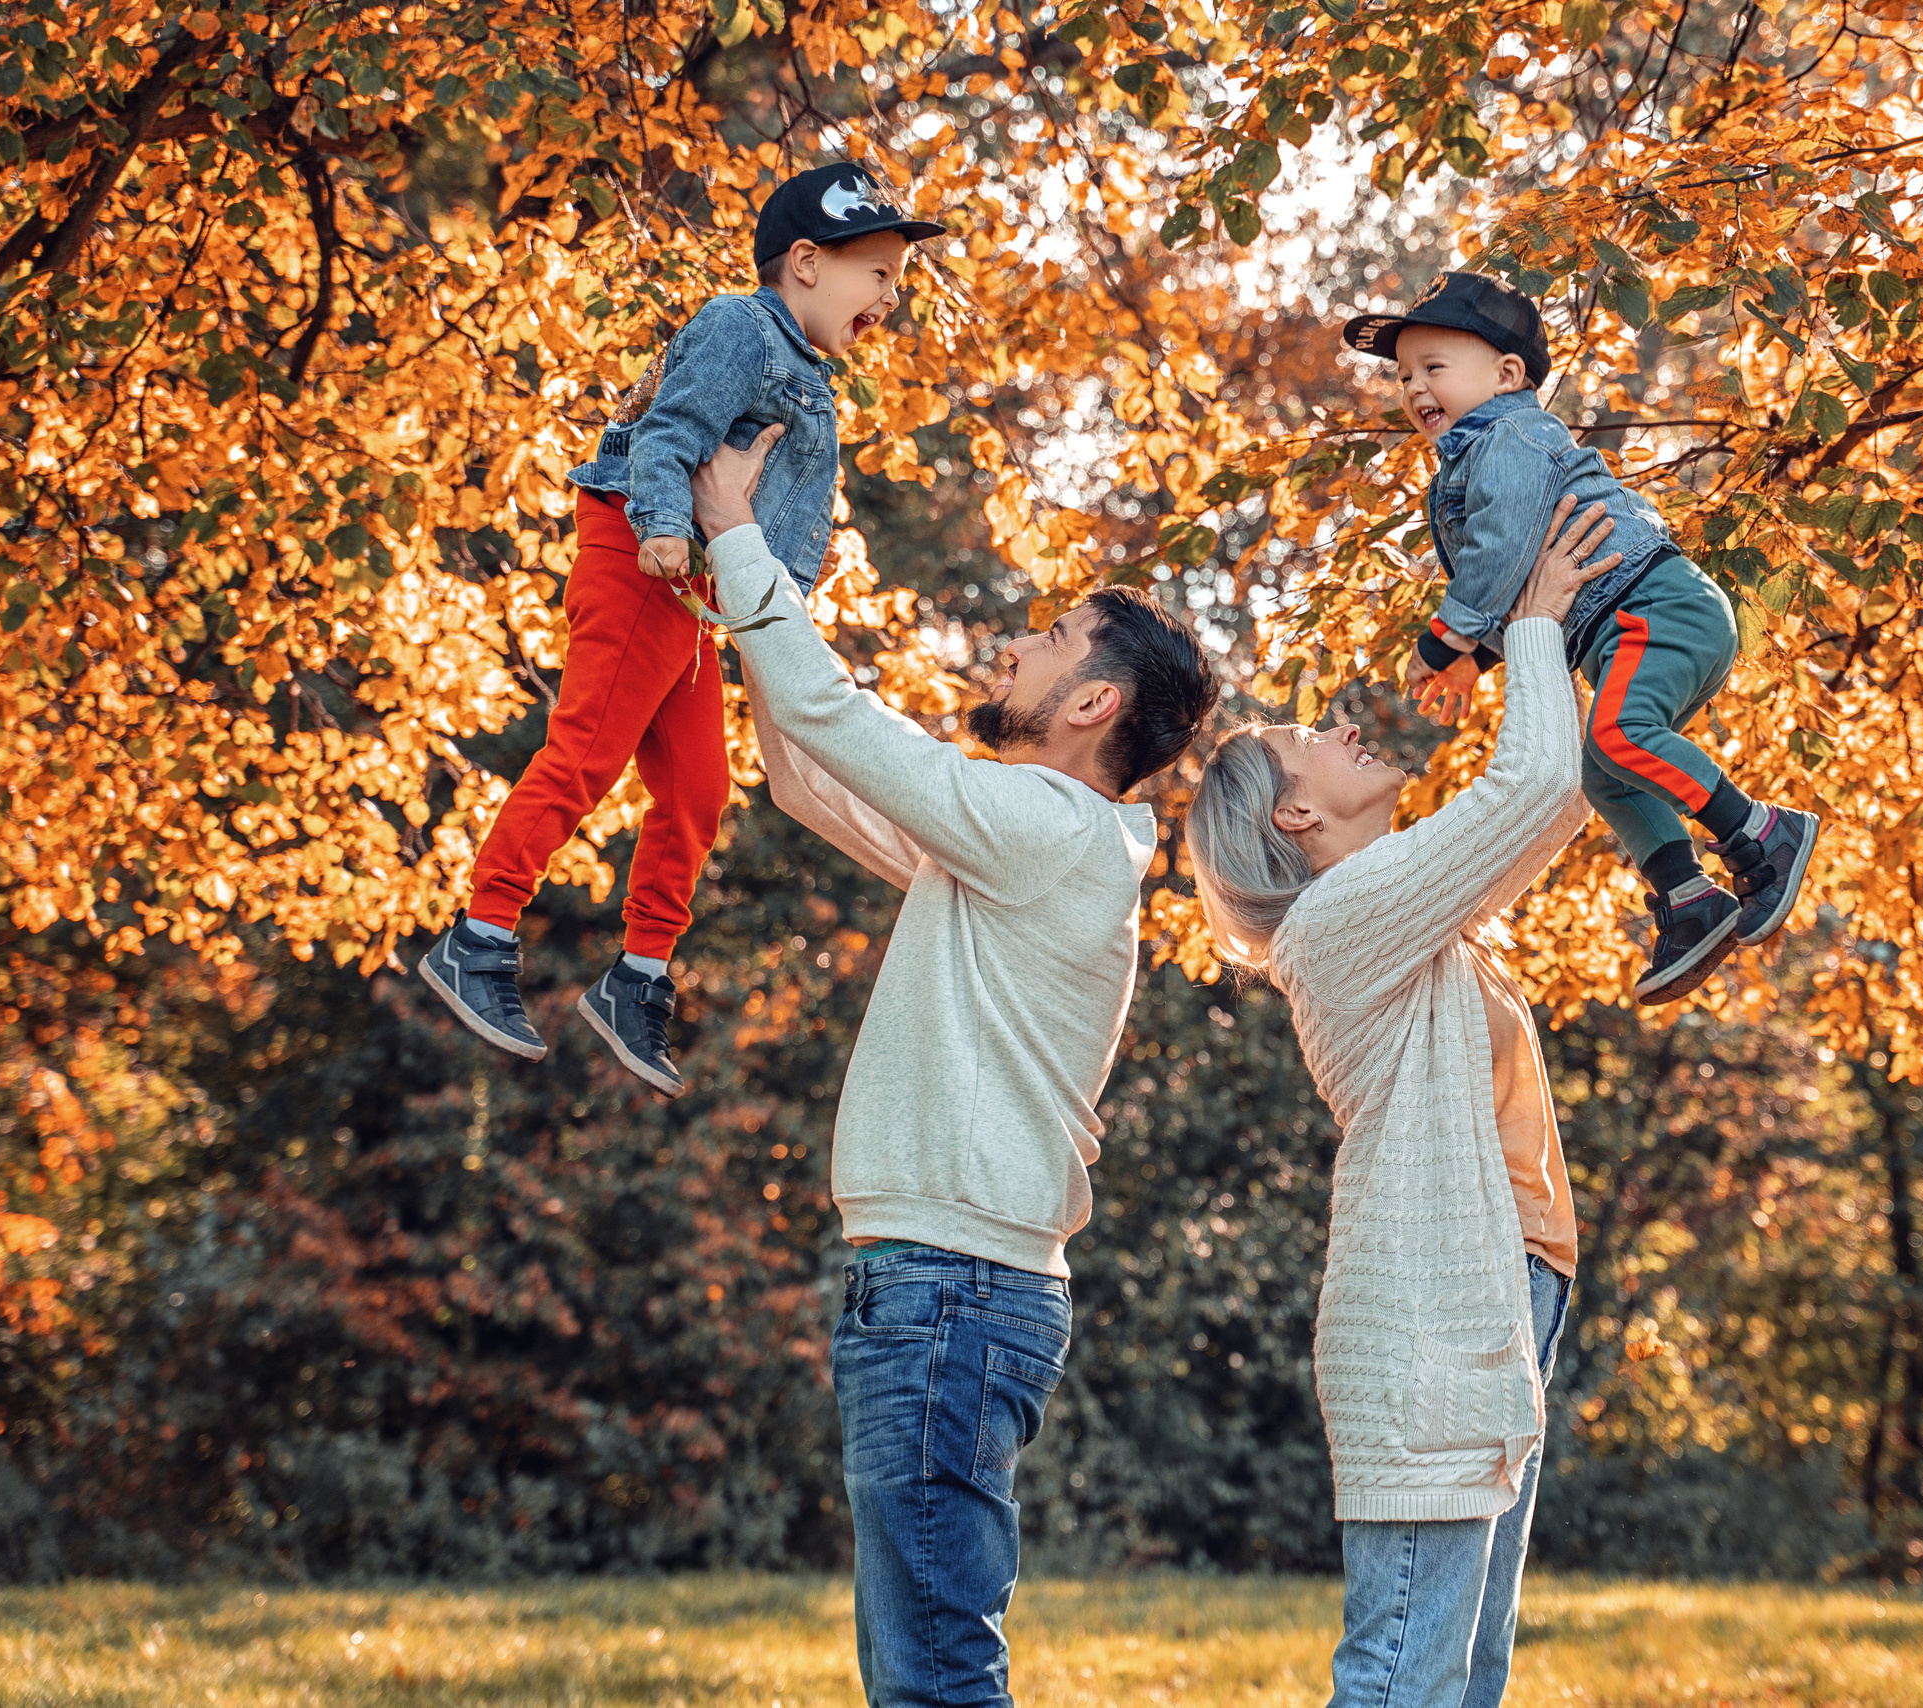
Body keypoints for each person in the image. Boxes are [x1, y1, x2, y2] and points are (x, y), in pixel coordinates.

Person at [692, 428, 1219, 1707]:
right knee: (920, 1669)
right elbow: (809, 774)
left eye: (1053, 637)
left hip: (950, 1291)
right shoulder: (1019, 845)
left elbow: (832, 717)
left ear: (1092, 704)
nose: (1018, 646)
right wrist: (748, 589)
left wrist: (734, 532)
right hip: (939, 1286)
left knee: (933, 1678)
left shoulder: (1047, 824)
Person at [1183, 495, 1619, 1708]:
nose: (1343, 726)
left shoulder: (1401, 917)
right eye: (1311, 738)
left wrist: (1564, 641)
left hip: (1504, 1283)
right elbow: (1533, 783)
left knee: (1460, 1674)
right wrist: (1534, 617)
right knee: (1403, 1673)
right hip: (1433, 1310)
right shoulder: (1335, 926)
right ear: (1295, 815)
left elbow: (1558, 795)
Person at [415, 162, 945, 1096]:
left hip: (693, 588)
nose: (893, 296)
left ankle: (638, 978)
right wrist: (663, 526)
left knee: (699, 792)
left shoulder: (812, 374)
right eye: (880, 273)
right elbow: (668, 434)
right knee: (587, 751)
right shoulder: (743, 327)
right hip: (641, 553)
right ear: (808, 263)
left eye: (898, 280)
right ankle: (481, 934)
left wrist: (777, 596)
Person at [1343, 269, 1823, 1005]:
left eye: (1433, 367)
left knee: (1619, 734)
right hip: (1630, 622)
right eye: (1404, 375)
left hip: (1655, 605)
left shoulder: (1508, 437)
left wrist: (1443, 642)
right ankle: (1688, 898)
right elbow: (1528, 576)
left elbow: (1500, 552)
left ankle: (1759, 832)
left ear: (1507, 375)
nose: (1414, 388)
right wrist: (1479, 658)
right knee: (1600, 767)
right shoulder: (1473, 457)